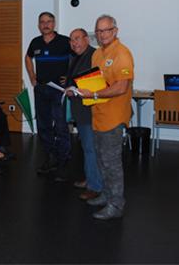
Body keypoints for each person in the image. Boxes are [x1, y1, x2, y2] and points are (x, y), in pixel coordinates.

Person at [78, 15, 134, 220]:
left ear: (115, 30)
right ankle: (106, 195)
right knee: (101, 160)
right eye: (98, 31)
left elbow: (121, 87)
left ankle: (116, 204)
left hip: (114, 117)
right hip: (98, 115)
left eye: (106, 30)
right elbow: (97, 82)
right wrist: (81, 90)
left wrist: (92, 94)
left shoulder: (122, 54)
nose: (102, 35)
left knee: (112, 163)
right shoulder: (97, 55)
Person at [25, 12, 72, 181]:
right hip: (41, 90)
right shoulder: (35, 42)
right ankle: (50, 158)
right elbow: (28, 57)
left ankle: (62, 162)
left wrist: (69, 76)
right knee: (43, 126)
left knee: (60, 126)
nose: (45, 25)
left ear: (54, 24)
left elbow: (77, 58)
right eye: (42, 22)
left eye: (49, 22)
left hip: (59, 91)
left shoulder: (65, 41)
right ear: (39, 25)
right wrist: (32, 76)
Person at [65, 29, 102, 200]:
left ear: (87, 39)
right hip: (81, 110)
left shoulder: (94, 55)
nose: (74, 43)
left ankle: (95, 186)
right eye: (72, 40)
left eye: (78, 39)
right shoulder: (77, 57)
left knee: (90, 149)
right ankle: (90, 179)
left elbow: (95, 85)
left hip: (90, 111)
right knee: (87, 148)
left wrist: (75, 90)